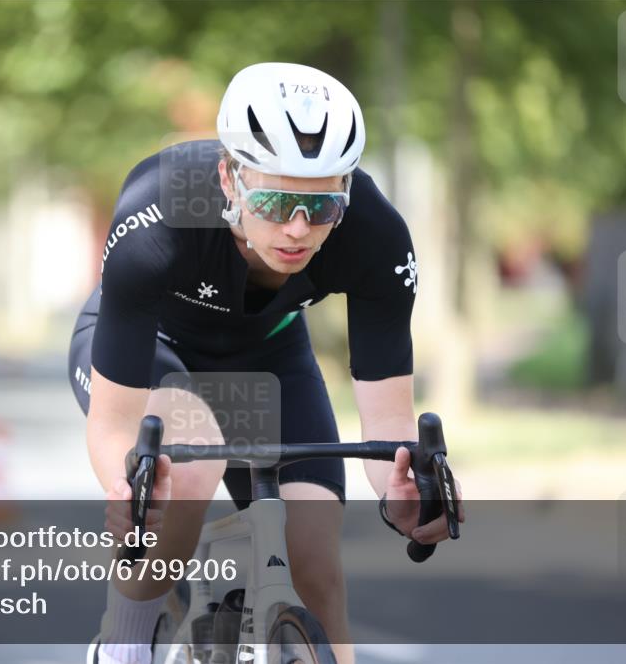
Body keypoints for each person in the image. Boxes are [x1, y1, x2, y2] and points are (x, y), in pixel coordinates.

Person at [68, 62, 463, 664]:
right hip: (156, 349)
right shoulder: (157, 210)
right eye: (276, 201)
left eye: (323, 205)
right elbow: (115, 424)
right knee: (190, 466)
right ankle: (122, 643)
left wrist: (404, 494)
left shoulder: (376, 237)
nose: (299, 229)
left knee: (313, 561)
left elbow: (388, 428)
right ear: (229, 179)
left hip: (270, 356)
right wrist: (127, 491)